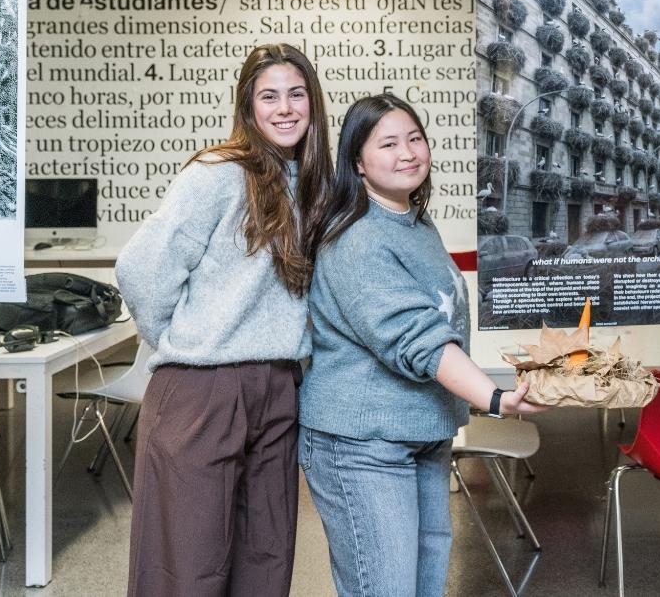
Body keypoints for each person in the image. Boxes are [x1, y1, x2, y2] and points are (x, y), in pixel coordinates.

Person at [299, 93, 546, 597]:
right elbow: (419, 338)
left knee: (424, 585)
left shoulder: (412, 219)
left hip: (421, 433)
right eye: (388, 143)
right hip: (363, 445)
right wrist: (496, 399)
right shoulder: (356, 237)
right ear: (357, 163)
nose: (408, 152)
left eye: (414, 138)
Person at [117, 43, 334, 596]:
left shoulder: (313, 183)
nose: (284, 108)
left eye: (296, 94)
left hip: (279, 388)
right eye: (269, 96)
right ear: (248, 106)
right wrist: (181, 342)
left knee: (266, 560)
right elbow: (141, 270)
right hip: (202, 387)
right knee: (187, 567)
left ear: (313, 103)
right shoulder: (216, 173)